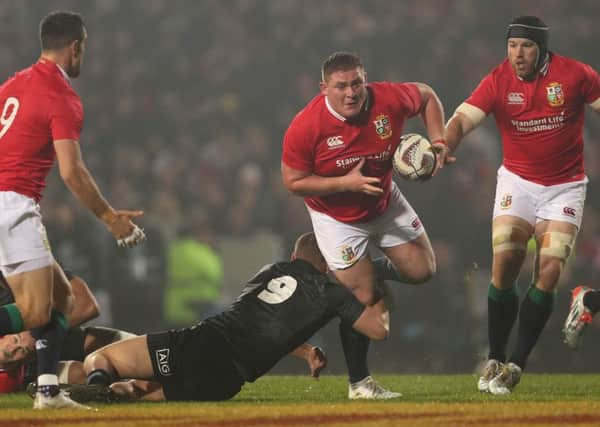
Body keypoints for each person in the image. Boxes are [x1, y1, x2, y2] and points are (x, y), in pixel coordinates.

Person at [444, 16, 600, 395]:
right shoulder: (498, 80)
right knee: (506, 264)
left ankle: (514, 366)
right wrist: (446, 143)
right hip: (517, 182)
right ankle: (494, 357)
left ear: (541, 48)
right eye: (512, 46)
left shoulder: (575, 75)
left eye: (526, 46)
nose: (517, 54)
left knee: (548, 269)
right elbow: (463, 118)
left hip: (565, 187)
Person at [281, 51, 448, 398]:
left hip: (384, 202)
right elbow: (293, 182)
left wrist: (439, 141)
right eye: (341, 86)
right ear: (324, 88)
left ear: (365, 79)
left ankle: (369, 271)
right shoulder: (306, 125)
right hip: (337, 218)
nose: (351, 93)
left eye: (357, 83)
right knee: (364, 297)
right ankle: (359, 383)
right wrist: (344, 184)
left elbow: (428, 96)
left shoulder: (387, 98)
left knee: (423, 270)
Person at [0, 11, 145, 409]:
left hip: (8, 200)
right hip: (13, 204)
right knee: (34, 311)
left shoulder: (13, 84)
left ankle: (48, 390)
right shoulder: (60, 96)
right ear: (76, 46)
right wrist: (111, 218)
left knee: (65, 300)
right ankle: (48, 391)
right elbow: (72, 170)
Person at [77, 232, 391, 402]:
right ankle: (96, 395)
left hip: (200, 346)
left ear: (294, 257)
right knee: (139, 392)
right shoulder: (330, 294)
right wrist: (372, 283)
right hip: (224, 382)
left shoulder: (272, 270)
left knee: (102, 359)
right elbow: (378, 330)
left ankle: (93, 386)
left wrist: (305, 351)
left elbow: (256, 318)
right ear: (326, 265)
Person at [0, 271, 136, 391]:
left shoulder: (30, 263)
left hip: (63, 342)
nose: (12, 348)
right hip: (33, 367)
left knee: (145, 356)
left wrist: (34, 332)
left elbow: (86, 306)